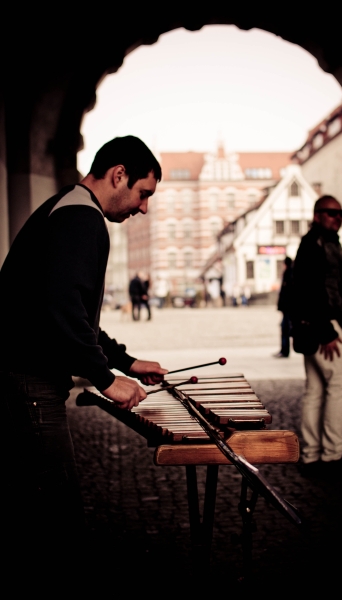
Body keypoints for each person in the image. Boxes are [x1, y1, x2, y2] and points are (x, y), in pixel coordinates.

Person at [0, 135, 169, 581]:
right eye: (143, 193)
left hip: (26, 378)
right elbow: (61, 310)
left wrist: (126, 363)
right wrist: (104, 378)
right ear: (118, 175)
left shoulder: (70, 209)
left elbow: (73, 312)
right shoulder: (81, 217)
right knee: (57, 513)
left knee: (39, 503)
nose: (143, 208)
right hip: (28, 380)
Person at [291, 195, 342, 480]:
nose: (338, 217)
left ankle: (312, 455)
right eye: (331, 213)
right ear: (317, 215)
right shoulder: (316, 244)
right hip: (323, 327)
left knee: (316, 390)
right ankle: (332, 454)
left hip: (316, 326)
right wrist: (326, 330)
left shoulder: (322, 242)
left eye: (340, 213)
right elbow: (309, 290)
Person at [274, 256, 294, 358]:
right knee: (284, 328)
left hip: (287, 308)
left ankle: (285, 350)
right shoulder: (290, 273)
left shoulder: (288, 274)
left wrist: (282, 306)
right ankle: (284, 349)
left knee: (285, 328)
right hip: (287, 308)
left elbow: (286, 293)